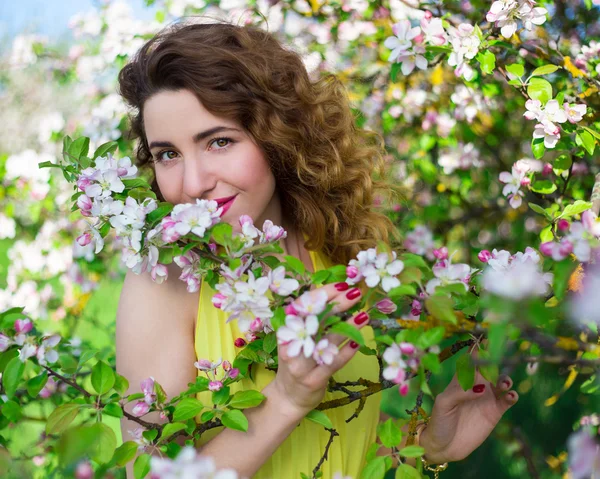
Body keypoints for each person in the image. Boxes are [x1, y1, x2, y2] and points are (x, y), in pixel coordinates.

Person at [115, 20, 519, 479]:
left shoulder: (333, 251)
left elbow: (329, 438)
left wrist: (426, 443)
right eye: (167, 154)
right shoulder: (164, 280)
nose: (192, 184)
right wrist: (286, 398)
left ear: (275, 134)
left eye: (219, 141)